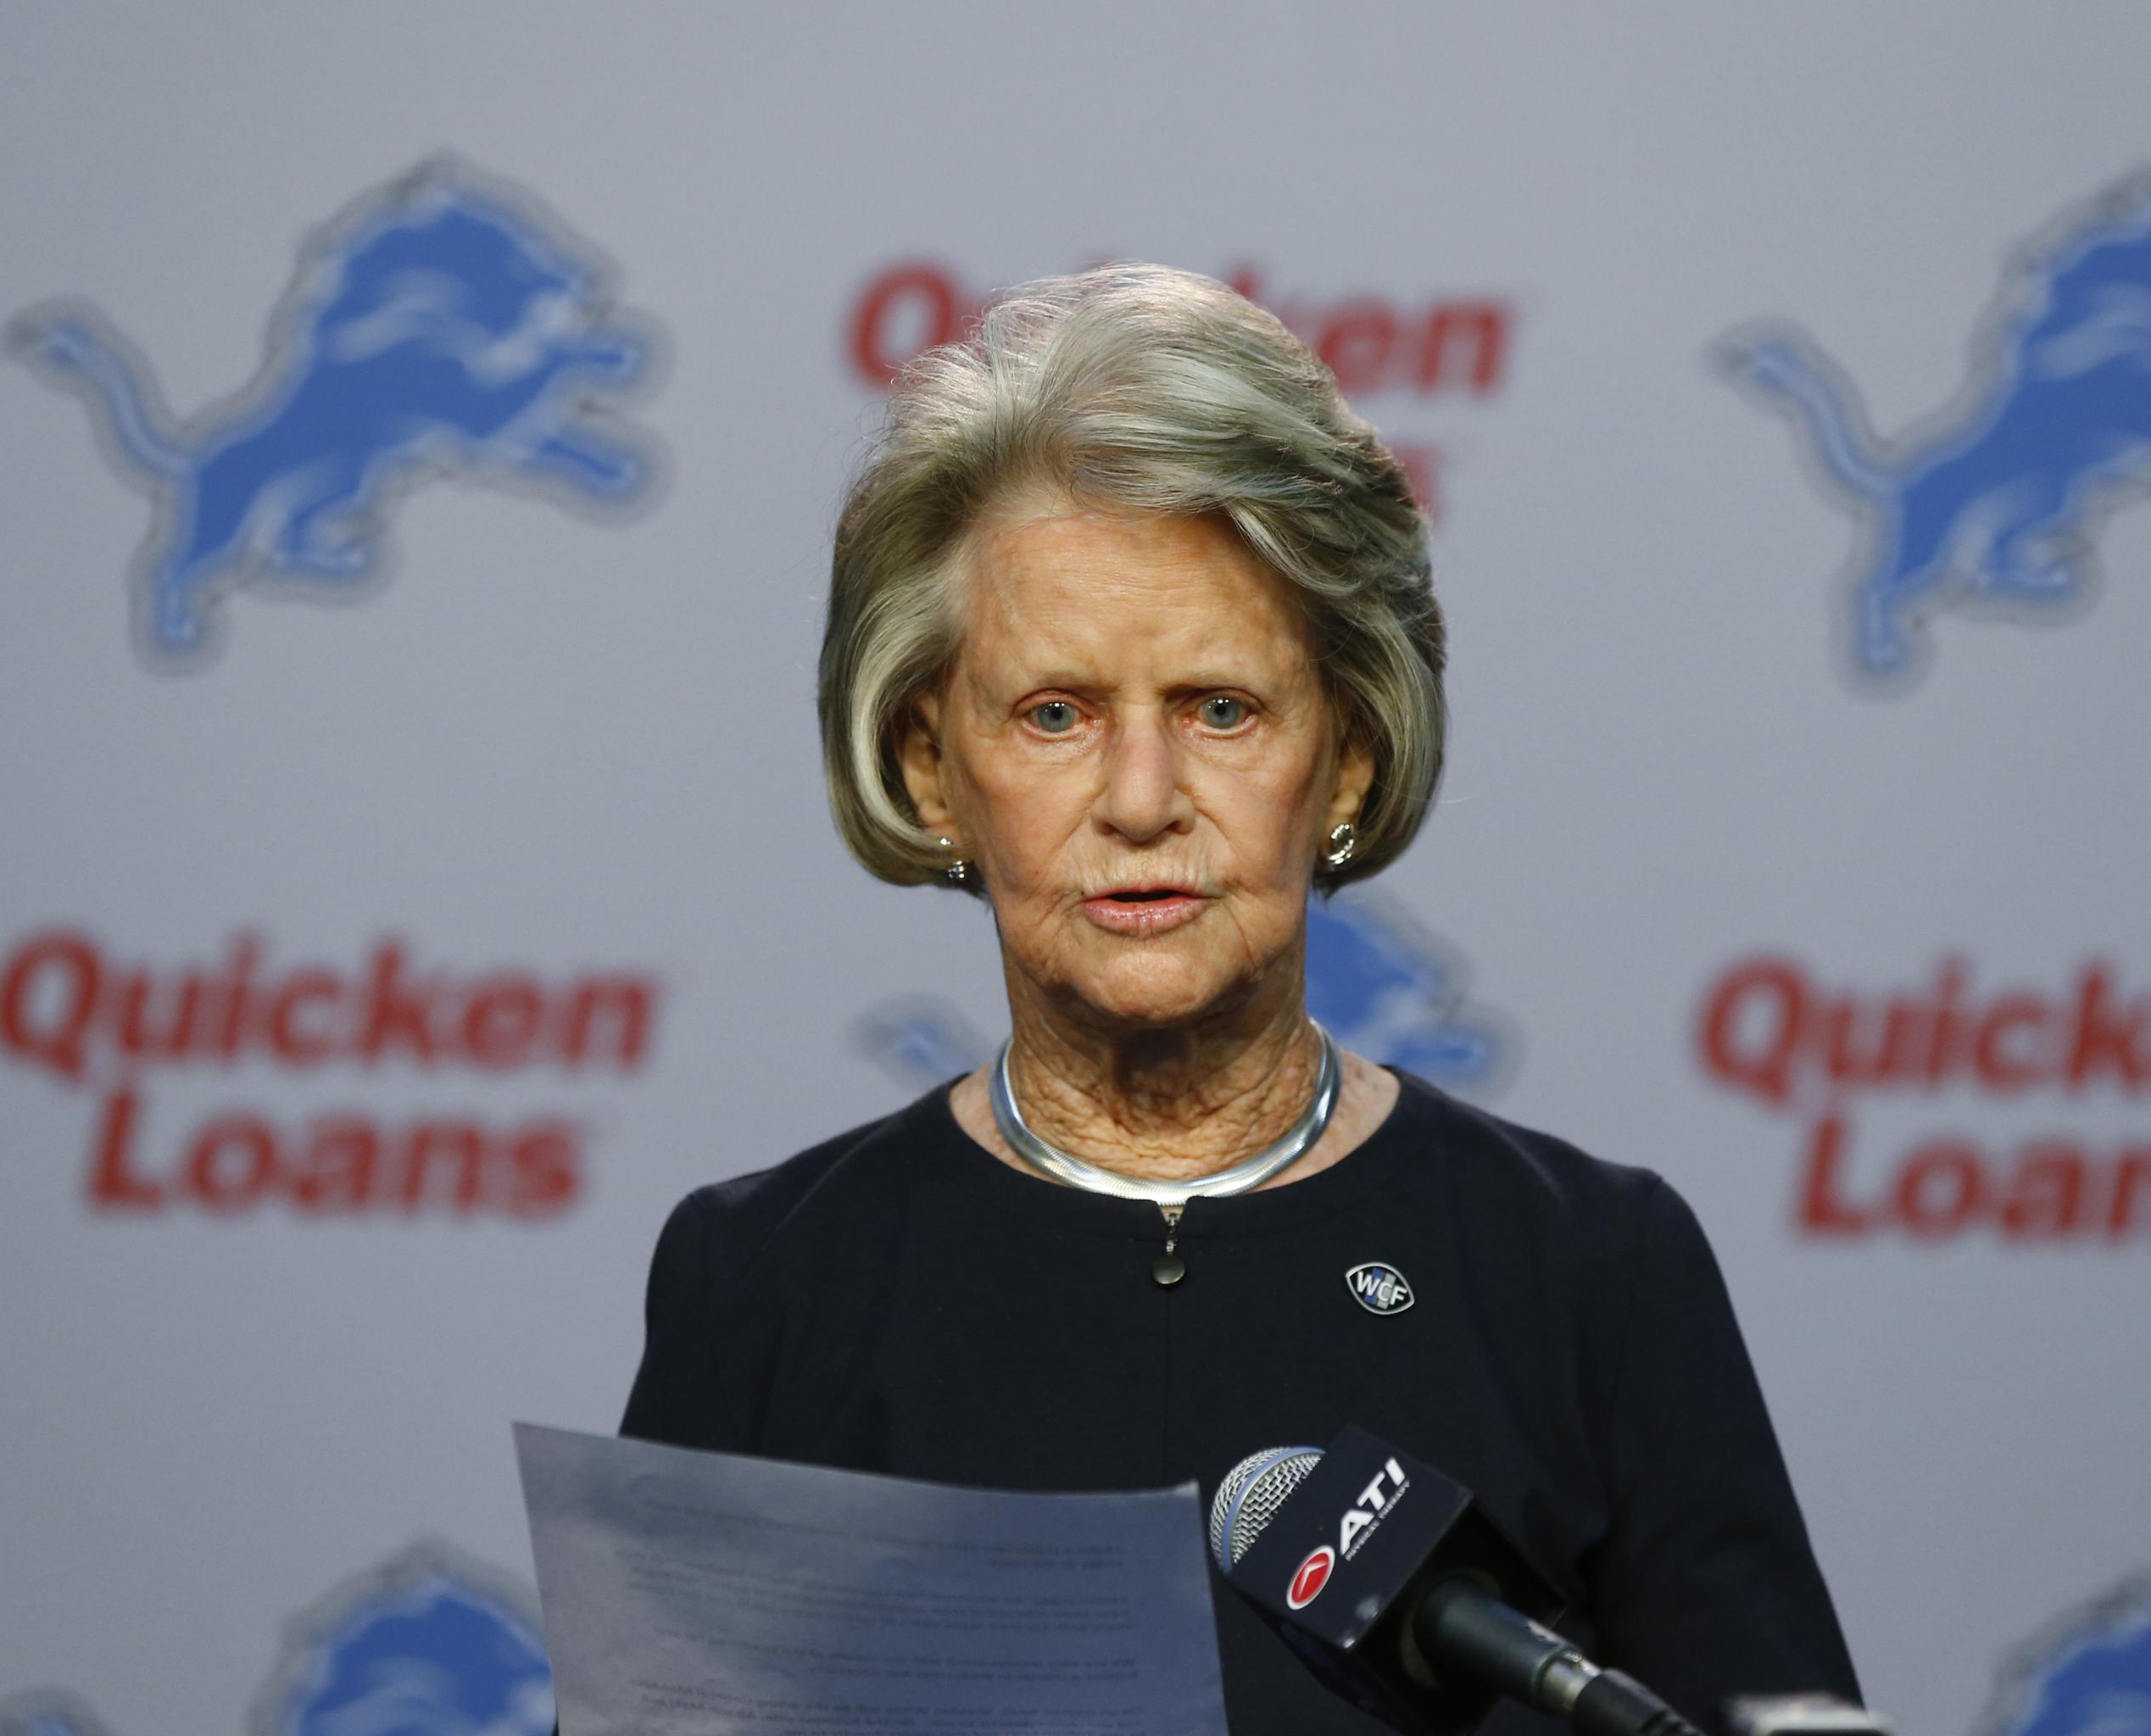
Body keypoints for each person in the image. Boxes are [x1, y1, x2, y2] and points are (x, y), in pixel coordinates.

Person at [621, 264, 1857, 1733]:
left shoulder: (1588, 1274)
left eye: (1221, 708)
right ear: (933, 767)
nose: (1142, 802)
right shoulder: (765, 1289)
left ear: (1344, 757)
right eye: (1056, 714)